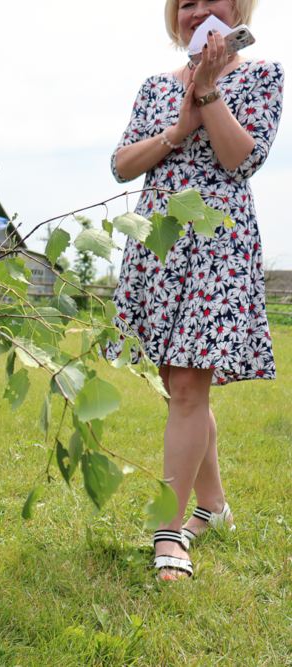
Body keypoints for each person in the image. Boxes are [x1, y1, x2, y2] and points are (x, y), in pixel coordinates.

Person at [109, 0, 282, 580]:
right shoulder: (155, 86)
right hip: (157, 245)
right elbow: (122, 164)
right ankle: (212, 504)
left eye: (214, 1)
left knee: (186, 385)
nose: (199, 12)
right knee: (176, 383)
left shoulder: (261, 74)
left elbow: (241, 158)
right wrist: (178, 130)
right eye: (187, 3)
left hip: (216, 245)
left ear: (237, 10)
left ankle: (169, 533)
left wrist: (208, 93)